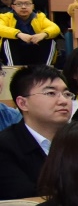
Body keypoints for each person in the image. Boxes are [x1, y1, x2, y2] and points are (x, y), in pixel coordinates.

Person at [0, 65, 72, 197]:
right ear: (23, 103)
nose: (63, 101)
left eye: (67, 94)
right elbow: (24, 199)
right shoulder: (5, 147)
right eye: (50, 93)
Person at [0, 0, 61, 65]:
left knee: (49, 39)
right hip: (15, 51)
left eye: (27, 4)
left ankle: (45, 68)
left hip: (35, 48)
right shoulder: (5, 17)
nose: (23, 7)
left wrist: (43, 34)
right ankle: (13, 69)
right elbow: (1, 28)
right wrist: (19, 34)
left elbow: (55, 28)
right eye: (19, 4)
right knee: (8, 40)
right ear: (13, 7)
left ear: (33, 6)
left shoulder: (39, 16)